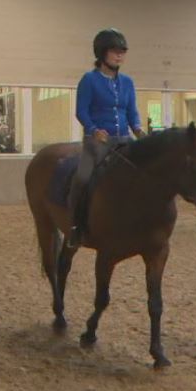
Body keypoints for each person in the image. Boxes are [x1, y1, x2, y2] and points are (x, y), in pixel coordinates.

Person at [69, 28, 145, 247]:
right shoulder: (89, 80)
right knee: (82, 179)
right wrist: (94, 129)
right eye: (114, 51)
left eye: (122, 52)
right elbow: (81, 111)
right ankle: (75, 226)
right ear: (102, 53)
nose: (119, 55)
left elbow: (131, 111)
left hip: (124, 140)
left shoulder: (127, 82)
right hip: (97, 142)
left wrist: (137, 129)